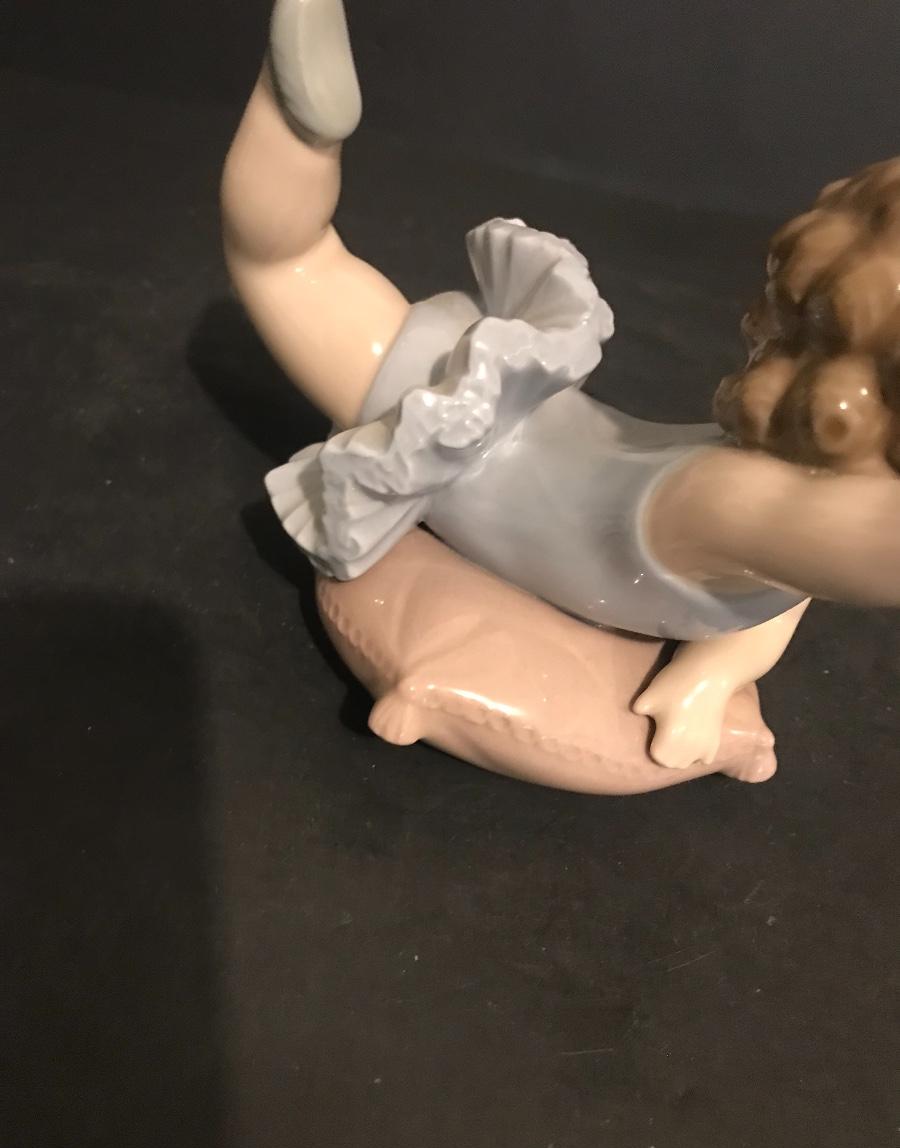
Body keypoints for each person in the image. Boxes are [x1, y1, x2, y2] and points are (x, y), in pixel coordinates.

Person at [222, 0, 900, 770]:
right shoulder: (745, 505)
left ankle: (305, 127)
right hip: (455, 425)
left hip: (524, 430)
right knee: (288, 265)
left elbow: (787, 592)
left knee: (289, 263)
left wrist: (713, 674)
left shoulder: (784, 525)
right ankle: (299, 120)